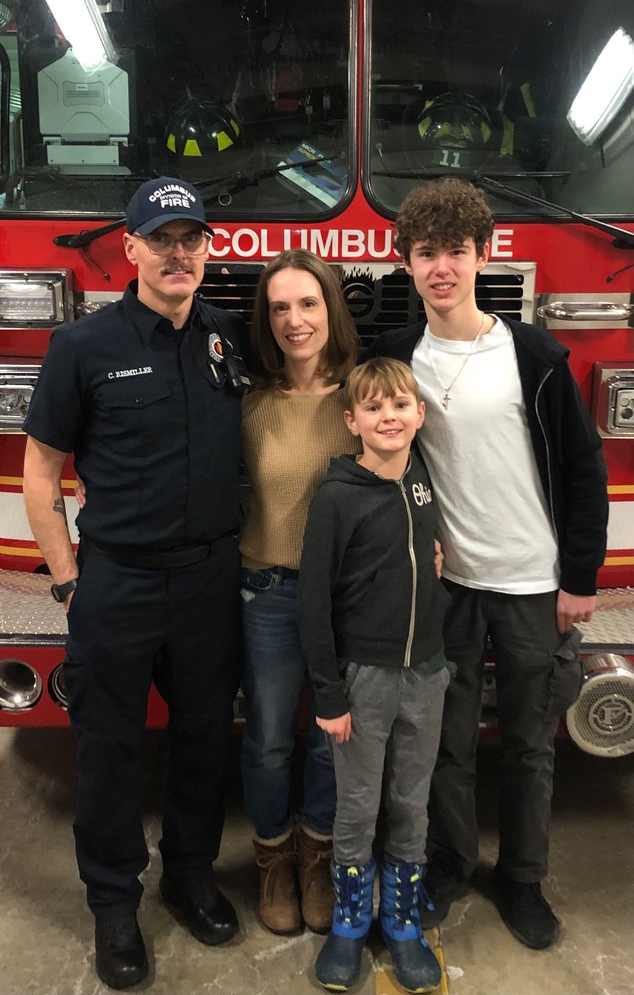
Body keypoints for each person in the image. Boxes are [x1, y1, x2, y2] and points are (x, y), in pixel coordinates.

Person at [368, 176, 608, 950]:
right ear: (406, 262)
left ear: (483, 255)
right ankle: (451, 863)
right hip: (451, 587)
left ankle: (524, 880)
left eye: (457, 252)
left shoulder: (533, 355)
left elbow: (583, 469)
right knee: (447, 742)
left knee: (534, 744)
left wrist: (578, 578)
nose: (443, 267)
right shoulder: (399, 362)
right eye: (427, 253)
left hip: (533, 586)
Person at [22, 177, 249, 991]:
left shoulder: (227, 336)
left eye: (192, 238)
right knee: (111, 750)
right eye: (163, 239)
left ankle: (189, 876)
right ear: (133, 249)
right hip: (115, 581)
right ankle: (114, 904)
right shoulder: (83, 348)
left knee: (199, 741)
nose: (179, 253)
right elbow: (40, 473)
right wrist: (69, 581)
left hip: (210, 582)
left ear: (207, 248)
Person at [297, 357, 450, 994]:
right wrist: (330, 693)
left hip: (427, 673)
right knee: (358, 805)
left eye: (400, 405)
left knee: (412, 802)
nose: (389, 417)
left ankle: (403, 919)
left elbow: (424, 556)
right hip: (365, 679)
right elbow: (314, 602)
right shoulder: (336, 497)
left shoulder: (421, 478)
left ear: (419, 415)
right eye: (374, 408)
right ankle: (351, 923)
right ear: (351, 420)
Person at [239, 249, 359, 936]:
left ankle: (317, 854)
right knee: (268, 740)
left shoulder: (362, 396)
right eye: (279, 307)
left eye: (307, 303)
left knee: (328, 739)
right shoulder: (248, 400)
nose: (294, 319)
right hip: (269, 592)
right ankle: (273, 860)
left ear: (330, 309)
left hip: (345, 598)